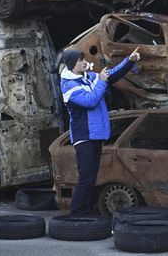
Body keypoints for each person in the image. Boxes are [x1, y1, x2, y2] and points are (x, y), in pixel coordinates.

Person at [59, 47, 140, 215]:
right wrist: (102, 81)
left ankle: (86, 211)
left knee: (91, 178)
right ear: (73, 64)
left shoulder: (89, 77)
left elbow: (112, 75)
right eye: (81, 60)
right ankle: (77, 213)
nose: (84, 62)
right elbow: (90, 101)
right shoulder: (68, 86)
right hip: (84, 136)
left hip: (96, 135)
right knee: (86, 178)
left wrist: (129, 60)